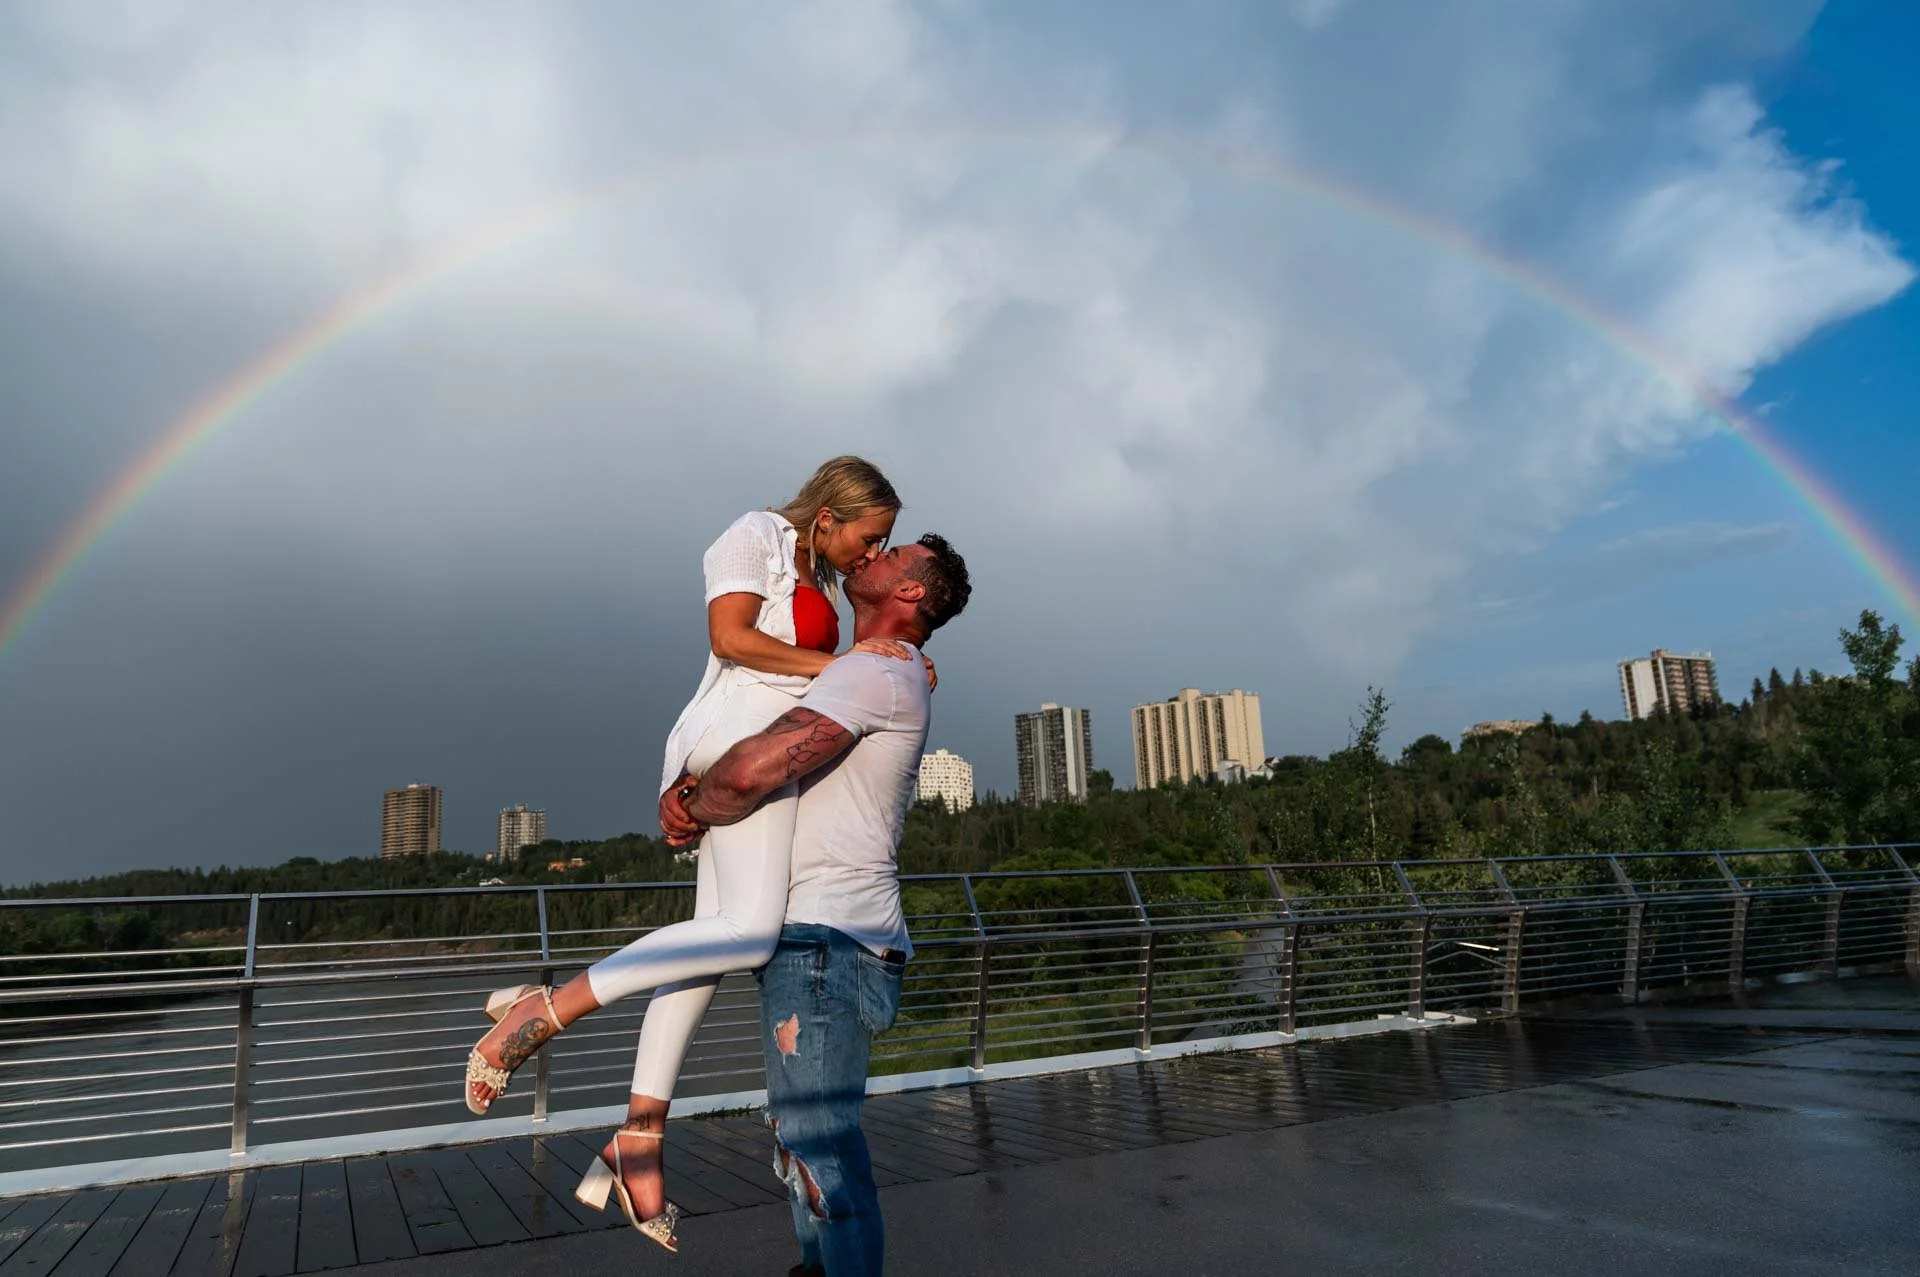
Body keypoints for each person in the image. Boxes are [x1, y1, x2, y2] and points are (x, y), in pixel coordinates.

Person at [464, 456, 933, 1251]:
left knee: (713, 942)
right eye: (870, 534)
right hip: (735, 739)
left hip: (754, 742)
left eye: (883, 544)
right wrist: (847, 667)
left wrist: (877, 664)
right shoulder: (754, 533)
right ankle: (545, 1010)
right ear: (829, 512)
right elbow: (729, 638)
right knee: (750, 932)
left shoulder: (816, 574)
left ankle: (639, 1139)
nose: (870, 551)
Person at [661, 532, 970, 1276]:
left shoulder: (874, 674)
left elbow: (754, 767)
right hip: (821, 941)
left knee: (821, 1149)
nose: (870, 556)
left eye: (891, 556)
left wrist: (690, 804)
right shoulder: (865, 670)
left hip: (829, 942)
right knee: (803, 1140)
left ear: (912, 593)